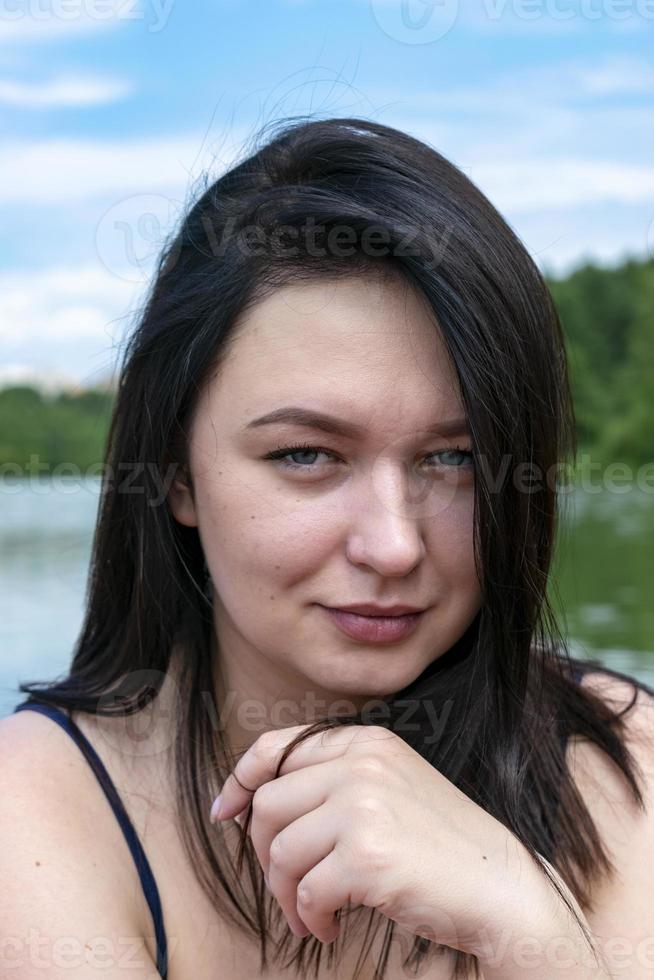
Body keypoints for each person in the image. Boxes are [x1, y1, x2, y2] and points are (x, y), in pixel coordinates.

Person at [2, 116, 653, 980]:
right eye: (305, 455)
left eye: (453, 458)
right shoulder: (44, 813)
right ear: (177, 475)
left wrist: (525, 928)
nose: (392, 545)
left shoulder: (624, 764)